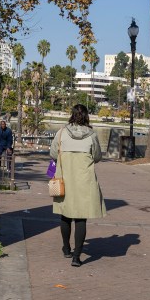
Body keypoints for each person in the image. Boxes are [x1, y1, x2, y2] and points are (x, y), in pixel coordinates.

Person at [50, 104, 105, 267]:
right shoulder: (92, 135)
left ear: (72, 115)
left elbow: (53, 154)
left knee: (65, 216)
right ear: (87, 116)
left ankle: (66, 249)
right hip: (84, 182)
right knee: (81, 218)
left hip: (64, 180)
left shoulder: (61, 133)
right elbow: (97, 157)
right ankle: (77, 257)